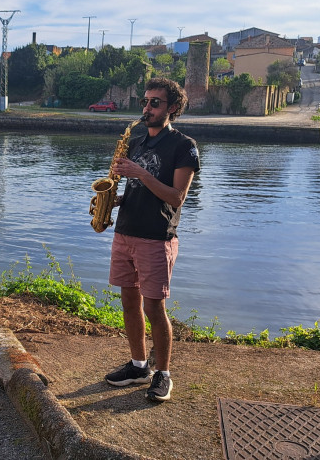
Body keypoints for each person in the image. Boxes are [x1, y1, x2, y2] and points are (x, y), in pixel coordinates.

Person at [104, 78, 200, 402]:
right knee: (129, 303)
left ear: (173, 108)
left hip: (156, 237)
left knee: (154, 307)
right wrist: (112, 201)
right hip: (125, 231)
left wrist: (140, 173)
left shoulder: (183, 146)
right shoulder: (137, 140)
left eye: (155, 103)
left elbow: (177, 197)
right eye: (145, 102)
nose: (147, 109)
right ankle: (138, 365)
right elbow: (135, 189)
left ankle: (163, 374)